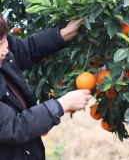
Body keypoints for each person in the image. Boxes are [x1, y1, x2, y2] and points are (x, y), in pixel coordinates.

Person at [0, 14, 92, 159]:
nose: (5, 49)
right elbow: (15, 127)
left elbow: (25, 49)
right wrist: (62, 104)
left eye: (4, 40)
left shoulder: (4, 53)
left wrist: (63, 34)